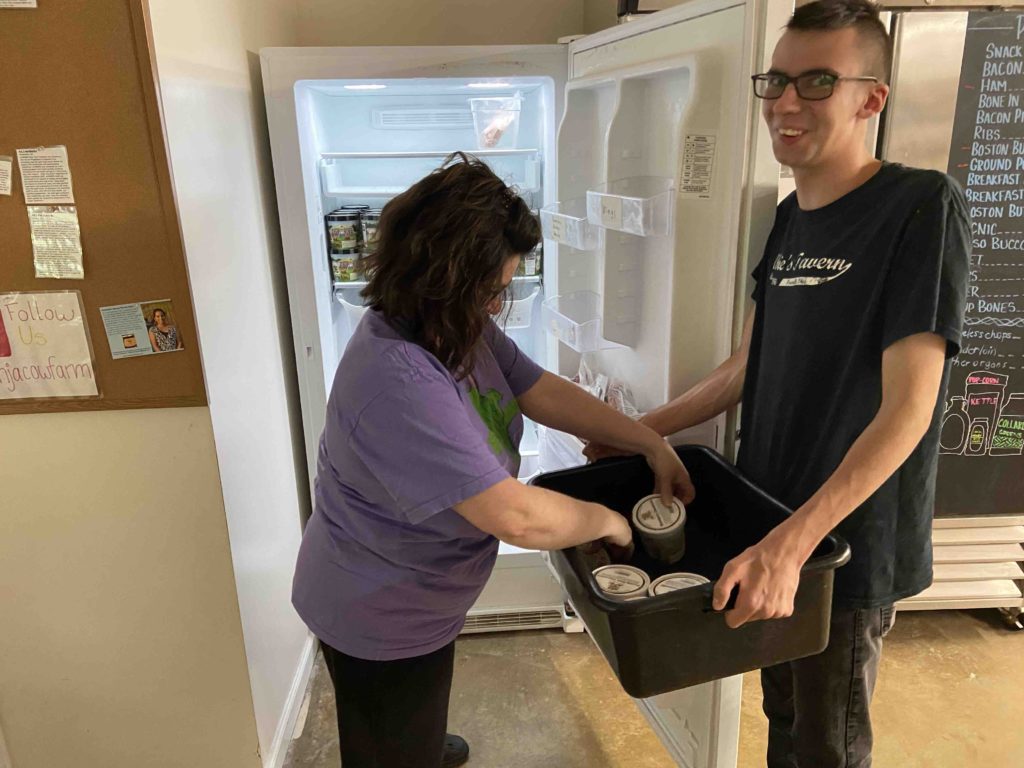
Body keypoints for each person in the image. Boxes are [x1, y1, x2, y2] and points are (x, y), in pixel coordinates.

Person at [588, 1, 969, 765]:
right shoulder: (792, 215)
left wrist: (793, 548)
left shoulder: (919, 207)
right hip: (771, 517)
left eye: (817, 81)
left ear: (871, 98)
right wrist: (639, 430)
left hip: (842, 544)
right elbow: (745, 367)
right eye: (778, 81)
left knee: (827, 742)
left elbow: (910, 409)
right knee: (784, 719)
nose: (786, 103)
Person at [291, 153, 695, 768]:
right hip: (380, 612)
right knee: (390, 739)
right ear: (444, 279)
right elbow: (517, 519)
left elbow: (537, 386)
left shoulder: (448, 326)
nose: (497, 306)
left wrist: (648, 440)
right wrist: (610, 522)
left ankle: (418, 739)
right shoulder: (397, 380)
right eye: (492, 290)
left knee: (413, 718)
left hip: (419, 592)